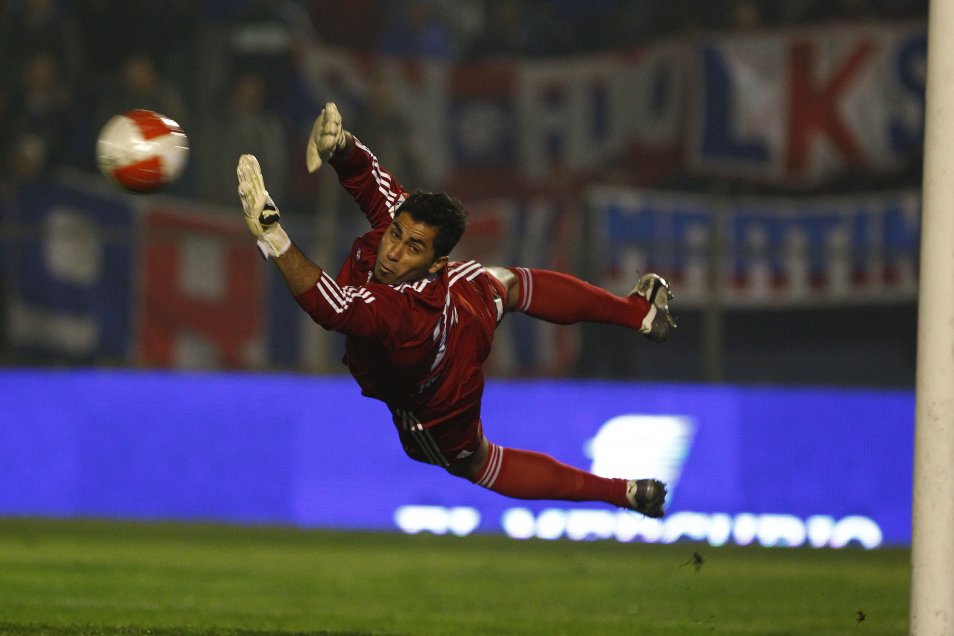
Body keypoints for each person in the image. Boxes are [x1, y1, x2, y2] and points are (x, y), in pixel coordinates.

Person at [236, 102, 676, 518]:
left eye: (413, 248)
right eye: (395, 234)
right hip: (465, 304)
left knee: (478, 463)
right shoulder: (408, 232)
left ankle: (621, 493)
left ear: (435, 263)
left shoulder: (399, 312)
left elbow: (333, 308)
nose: (393, 252)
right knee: (508, 283)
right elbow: (373, 183)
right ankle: (637, 313)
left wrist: (275, 238)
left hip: (439, 395)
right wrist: (342, 146)